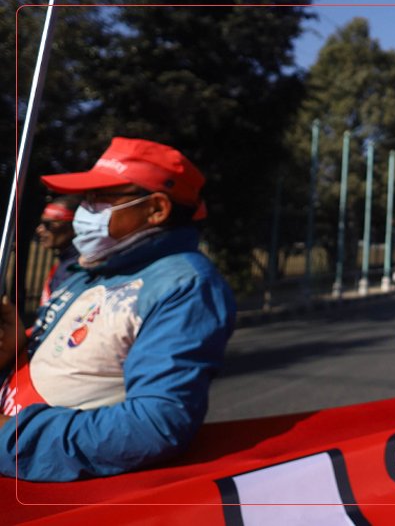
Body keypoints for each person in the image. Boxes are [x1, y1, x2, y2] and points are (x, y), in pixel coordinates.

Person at [0, 137, 236, 481]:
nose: (85, 210)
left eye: (101, 197)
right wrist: (14, 349)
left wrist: (13, 436)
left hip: (41, 485)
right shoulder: (94, 268)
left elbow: (156, 425)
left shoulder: (184, 285)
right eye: (85, 198)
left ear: (156, 208)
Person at [34, 195, 81, 306]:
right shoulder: (64, 262)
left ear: (74, 226)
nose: (39, 230)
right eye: (41, 223)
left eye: (48, 225)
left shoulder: (78, 267)